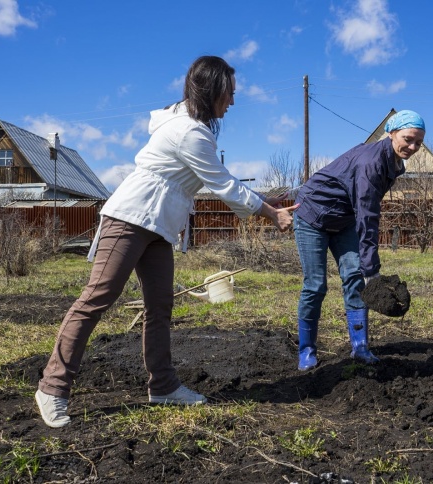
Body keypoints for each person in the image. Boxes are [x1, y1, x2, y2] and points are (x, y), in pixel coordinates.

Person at [35, 55, 298, 428]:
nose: (233, 102)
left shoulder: (190, 123)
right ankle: (52, 388)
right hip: (129, 217)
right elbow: (222, 184)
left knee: (159, 308)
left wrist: (263, 202)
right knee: (96, 299)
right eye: (230, 93)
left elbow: (219, 179)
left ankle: (163, 386)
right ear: (211, 90)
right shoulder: (189, 131)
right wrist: (271, 215)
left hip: (159, 226)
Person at [292, 110, 425, 371]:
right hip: (312, 216)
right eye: (408, 139)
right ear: (391, 133)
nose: (412, 147)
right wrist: (373, 271)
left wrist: (366, 272)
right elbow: (367, 215)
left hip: (343, 220)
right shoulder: (371, 162)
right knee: (315, 285)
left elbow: (363, 212)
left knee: (354, 277)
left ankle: (360, 347)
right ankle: (306, 351)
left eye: (418, 143)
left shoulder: (394, 162)